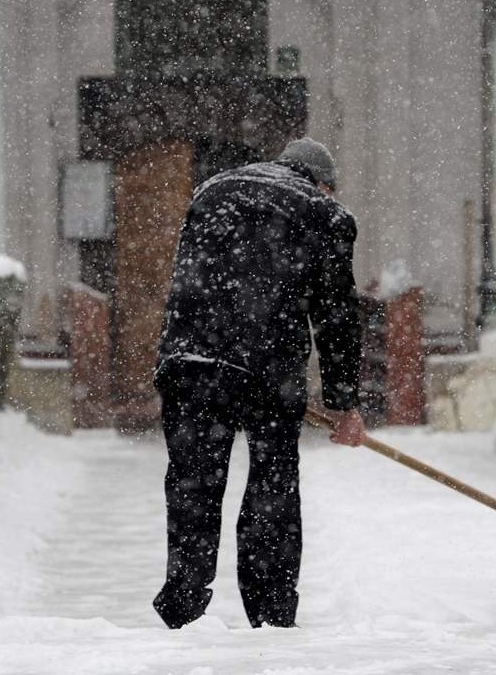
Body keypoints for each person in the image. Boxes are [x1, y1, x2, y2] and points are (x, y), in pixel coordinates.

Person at [152, 137, 366, 629]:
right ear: (325, 184)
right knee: (272, 483)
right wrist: (343, 402)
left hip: (191, 359)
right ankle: (270, 614)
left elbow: (194, 280)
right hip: (268, 369)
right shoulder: (324, 212)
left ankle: (182, 607)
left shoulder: (211, 191)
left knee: (193, 485)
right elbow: (337, 316)